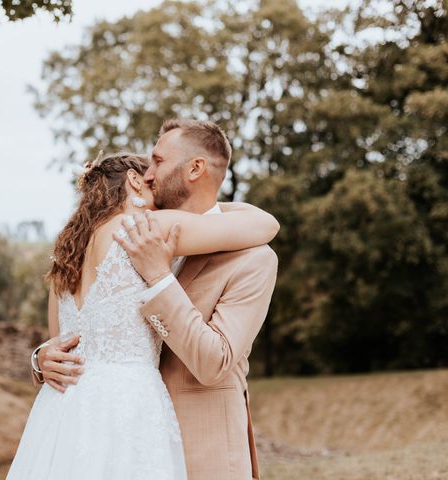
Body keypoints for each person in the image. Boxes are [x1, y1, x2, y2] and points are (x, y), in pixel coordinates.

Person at [14, 128, 279, 479]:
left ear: (196, 168)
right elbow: (60, 345)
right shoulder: (147, 228)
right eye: (147, 166)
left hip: (98, 426)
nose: (151, 175)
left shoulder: (69, 254)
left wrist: (158, 275)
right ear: (133, 183)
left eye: (158, 161)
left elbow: (215, 361)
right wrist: (41, 359)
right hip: (131, 425)